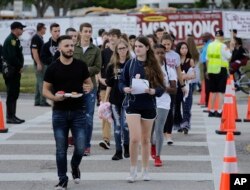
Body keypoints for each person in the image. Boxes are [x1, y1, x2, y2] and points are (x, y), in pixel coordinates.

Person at [42, 35, 93, 189]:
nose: (70, 48)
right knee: (60, 148)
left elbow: (89, 84)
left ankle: (75, 165)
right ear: (59, 48)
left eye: (71, 45)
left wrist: (88, 88)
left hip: (78, 111)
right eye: (66, 46)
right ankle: (62, 178)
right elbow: (45, 90)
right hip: (59, 112)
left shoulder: (81, 65)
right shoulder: (53, 67)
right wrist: (55, 98)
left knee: (80, 146)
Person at [119, 36, 165, 182]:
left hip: (148, 105)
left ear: (146, 48)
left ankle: (145, 170)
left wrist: (154, 91)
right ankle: (132, 170)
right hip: (132, 104)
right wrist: (124, 88)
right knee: (134, 139)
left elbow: (161, 86)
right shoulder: (130, 64)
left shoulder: (154, 65)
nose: (137, 48)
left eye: (140, 46)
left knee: (145, 140)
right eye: (136, 46)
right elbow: (121, 81)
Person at [73, 23, 101, 156]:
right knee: (76, 117)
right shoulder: (73, 48)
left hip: (90, 87)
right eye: (85, 31)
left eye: (90, 31)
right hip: (75, 87)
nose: (88, 33)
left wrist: (83, 70)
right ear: (80, 32)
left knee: (88, 118)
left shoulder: (95, 50)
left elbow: (97, 67)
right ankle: (78, 143)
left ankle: (86, 146)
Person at [104, 40, 130, 160]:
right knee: (117, 125)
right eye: (119, 48)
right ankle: (118, 151)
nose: (122, 50)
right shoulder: (112, 66)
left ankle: (127, 147)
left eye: (124, 48)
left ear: (127, 49)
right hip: (115, 100)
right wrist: (105, 99)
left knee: (125, 125)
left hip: (128, 99)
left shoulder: (131, 64)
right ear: (116, 51)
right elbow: (109, 84)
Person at [151, 44, 177, 166]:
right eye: (157, 52)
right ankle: (152, 145)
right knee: (150, 130)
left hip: (163, 102)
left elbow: (174, 89)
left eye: (162, 52)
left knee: (159, 129)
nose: (160, 55)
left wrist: (161, 89)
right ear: (153, 54)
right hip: (149, 102)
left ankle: (158, 156)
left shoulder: (169, 70)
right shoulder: (148, 69)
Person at [98, 28, 121, 150]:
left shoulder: (122, 51)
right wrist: (100, 79)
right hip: (104, 87)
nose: (111, 38)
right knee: (106, 112)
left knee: (120, 114)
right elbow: (97, 67)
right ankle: (106, 139)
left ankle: (123, 138)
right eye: (110, 36)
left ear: (119, 37)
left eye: (114, 36)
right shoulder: (103, 52)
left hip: (119, 88)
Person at [160, 34, 185, 144]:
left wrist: (182, 84)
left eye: (168, 44)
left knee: (170, 110)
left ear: (172, 44)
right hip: (159, 85)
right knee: (160, 110)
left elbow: (178, 71)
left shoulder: (175, 55)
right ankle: (160, 131)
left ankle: (168, 135)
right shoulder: (157, 54)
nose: (166, 46)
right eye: (164, 44)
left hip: (172, 85)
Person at [2, 21, 26, 124]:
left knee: (14, 93)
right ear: (16, 29)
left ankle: (13, 115)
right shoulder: (11, 40)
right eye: (21, 28)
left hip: (15, 70)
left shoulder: (15, 39)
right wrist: (20, 66)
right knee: (11, 93)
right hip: (12, 71)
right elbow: (12, 57)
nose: (22, 30)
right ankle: (9, 116)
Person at [206, 29, 232, 117]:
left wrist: (207, 70)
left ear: (215, 36)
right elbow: (229, 56)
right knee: (221, 91)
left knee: (213, 91)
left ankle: (211, 110)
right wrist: (230, 48)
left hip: (211, 70)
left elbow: (207, 59)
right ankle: (220, 111)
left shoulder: (210, 45)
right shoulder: (223, 46)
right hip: (221, 70)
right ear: (222, 36)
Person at [174, 42, 195, 134]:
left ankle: (186, 125)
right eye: (182, 48)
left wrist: (186, 76)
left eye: (186, 48)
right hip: (176, 86)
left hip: (187, 86)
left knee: (187, 106)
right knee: (177, 106)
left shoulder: (190, 60)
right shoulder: (175, 60)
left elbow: (194, 75)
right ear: (178, 49)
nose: (184, 50)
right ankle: (178, 124)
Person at [30, 23, 47, 107]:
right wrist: (38, 63)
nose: (45, 29)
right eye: (44, 28)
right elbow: (34, 51)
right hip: (39, 62)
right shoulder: (36, 38)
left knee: (38, 82)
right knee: (42, 82)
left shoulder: (40, 38)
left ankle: (37, 101)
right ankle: (43, 101)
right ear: (41, 28)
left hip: (40, 62)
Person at [200, 32, 213, 107]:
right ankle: (207, 102)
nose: (202, 39)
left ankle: (208, 103)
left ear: (207, 37)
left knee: (208, 85)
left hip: (208, 65)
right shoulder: (206, 45)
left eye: (203, 37)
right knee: (206, 85)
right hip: (204, 65)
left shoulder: (210, 45)